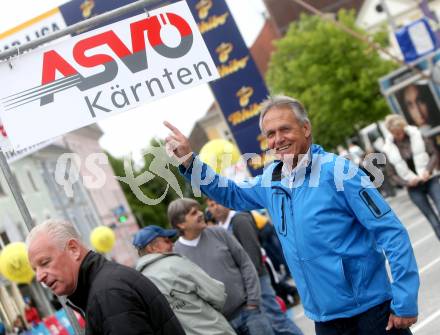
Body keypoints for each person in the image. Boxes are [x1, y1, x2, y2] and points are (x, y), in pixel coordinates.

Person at [164, 95, 420, 335]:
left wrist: (405, 299)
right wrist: (189, 161)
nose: (278, 139)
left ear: (305, 129)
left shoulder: (339, 172)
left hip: (371, 312)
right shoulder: (271, 180)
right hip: (325, 320)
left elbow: (391, 232)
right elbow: (229, 193)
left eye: (285, 129)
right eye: (270, 134)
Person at [26, 219, 185, 335]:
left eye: (45, 262)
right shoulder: (104, 286)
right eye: (35, 269)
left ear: (73, 249)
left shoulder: (109, 294)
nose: (39, 276)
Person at [169, 198, 274, 335]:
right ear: (181, 224)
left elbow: (245, 263)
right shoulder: (177, 254)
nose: (201, 213)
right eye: (194, 213)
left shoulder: (220, 233)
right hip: (219, 326)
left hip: (250, 312)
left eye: (199, 210)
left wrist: (253, 302)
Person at [206, 198, 304, 335]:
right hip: (245, 285)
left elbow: (252, 254)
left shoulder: (239, 220)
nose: (215, 207)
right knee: (269, 324)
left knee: (276, 320)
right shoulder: (220, 228)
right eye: (210, 205)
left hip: (256, 280)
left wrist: (250, 286)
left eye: (217, 202)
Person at [132, 225, 237, 335]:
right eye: (166, 241)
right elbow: (217, 294)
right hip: (213, 330)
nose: (172, 244)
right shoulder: (175, 263)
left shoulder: (140, 282)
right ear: (151, 248)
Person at [383, 114, 440, 239]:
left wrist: (428, 170)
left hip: (430, 180)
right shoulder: (387, 149)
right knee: (433, 219)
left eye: (401, 132)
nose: (399, 135)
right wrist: (406, 183)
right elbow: (391, 174)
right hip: (413, 188)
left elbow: (434, 153)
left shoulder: (417, 134)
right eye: (396, 133)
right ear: (390, 132)